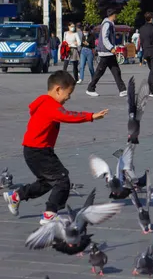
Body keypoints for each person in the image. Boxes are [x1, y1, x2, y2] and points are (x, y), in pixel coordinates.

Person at [3, 70, 108, 224]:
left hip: (32, 150)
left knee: (47, 182)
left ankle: (17, 196)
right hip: (39, 151)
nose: (69, 97)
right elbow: (67, 116)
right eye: (68, 93)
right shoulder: (50, 105)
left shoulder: (44, 102)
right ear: (58, 89)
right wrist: (90, 116)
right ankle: (50, 214)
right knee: (62, 179)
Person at [86, 8, 128, 97]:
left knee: (116, 71)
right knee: (100, 71)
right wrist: (111, 48)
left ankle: (122, 89)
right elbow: (104, 38)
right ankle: (90, 88)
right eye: (116, 14)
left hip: (109, 53)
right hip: (106, 52)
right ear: (113, 15)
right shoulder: (107, 24)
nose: (116, 16)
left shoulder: (109, 24)